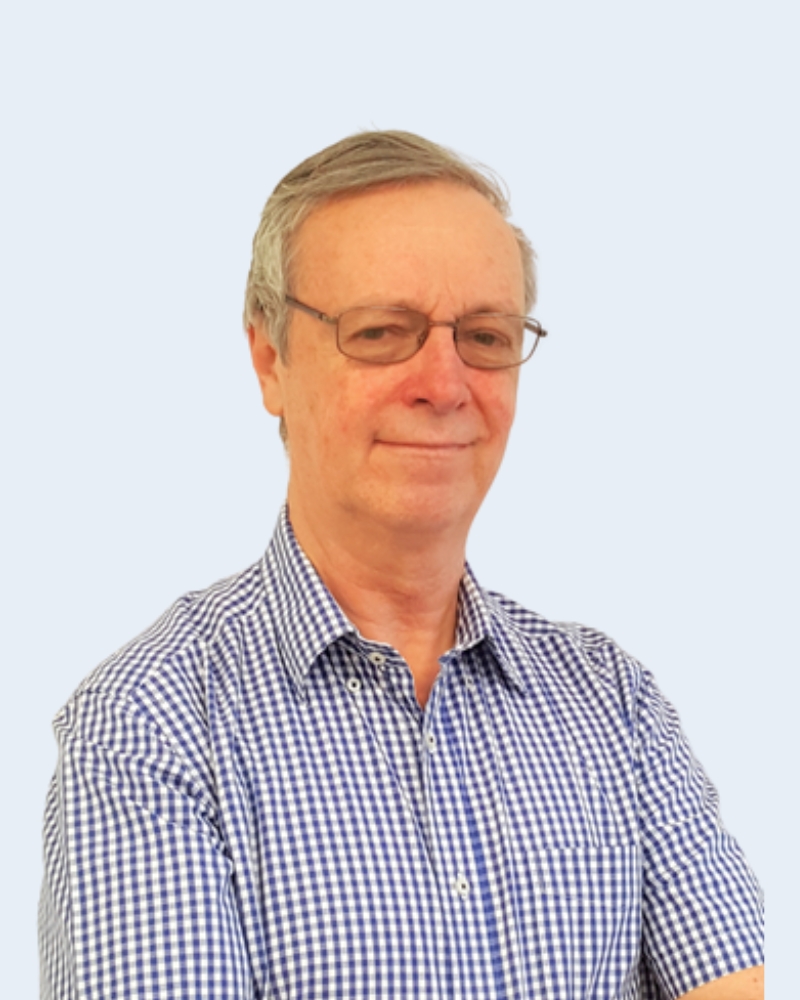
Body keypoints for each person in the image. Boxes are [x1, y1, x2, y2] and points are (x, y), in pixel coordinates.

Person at [39, 131, 764, 999]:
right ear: (270, 359)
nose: (445, 384)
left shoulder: (616, 706)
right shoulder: (148, 727)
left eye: (485, 335)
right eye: (382, 332)